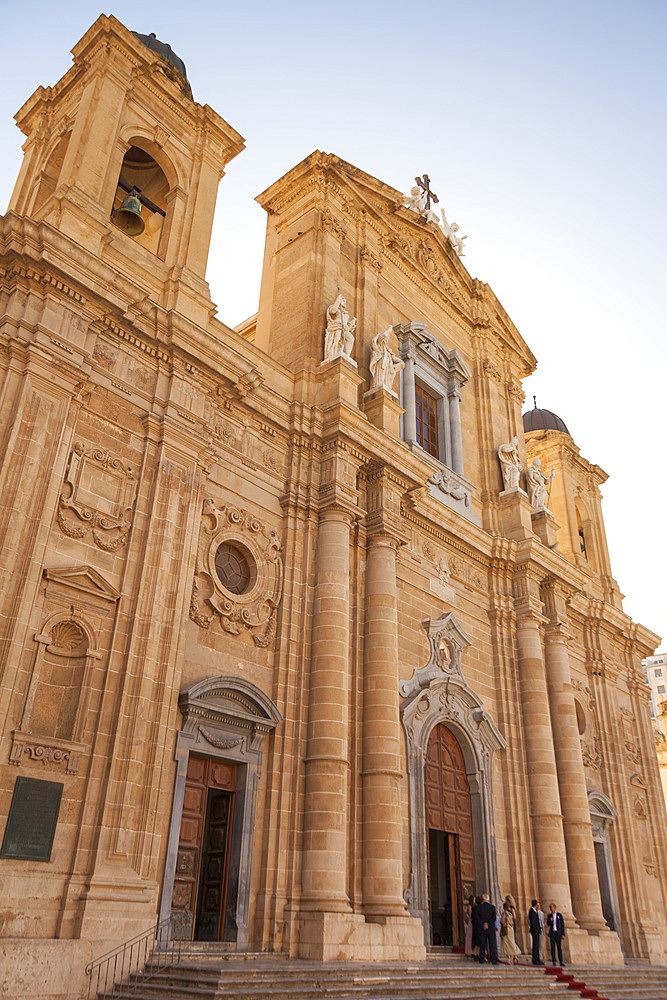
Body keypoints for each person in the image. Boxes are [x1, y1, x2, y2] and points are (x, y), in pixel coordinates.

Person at [476, 893, 498, 965]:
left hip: (482, 928)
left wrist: (483, 923)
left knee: (482, 944)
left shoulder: (479, 907)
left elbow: (477, 917)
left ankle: (482, 959)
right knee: (492, 944)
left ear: (483, 900)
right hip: (490, 928)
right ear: (488, 900)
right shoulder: (492, 907)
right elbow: (494, 918)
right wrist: (488, 923)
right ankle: (493, 959)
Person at [500, 895, 521, 965]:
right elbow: (514, 918)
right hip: (511, 927)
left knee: (509, 943)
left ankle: (512, 957)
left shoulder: (507, 911)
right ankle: (513, 957)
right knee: (511, 942)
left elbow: (502, 921)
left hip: (507, 928)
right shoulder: (511, 910)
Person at [528, 898, 543, 965]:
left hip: (536, 931)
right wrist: (536, 930)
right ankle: (535, 959)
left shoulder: (534, 911)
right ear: (536, 905)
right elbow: (533, 922)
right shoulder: (532, 911)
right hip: (535, 931)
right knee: (535, 945)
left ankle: (537, 959)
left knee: (536, 945)